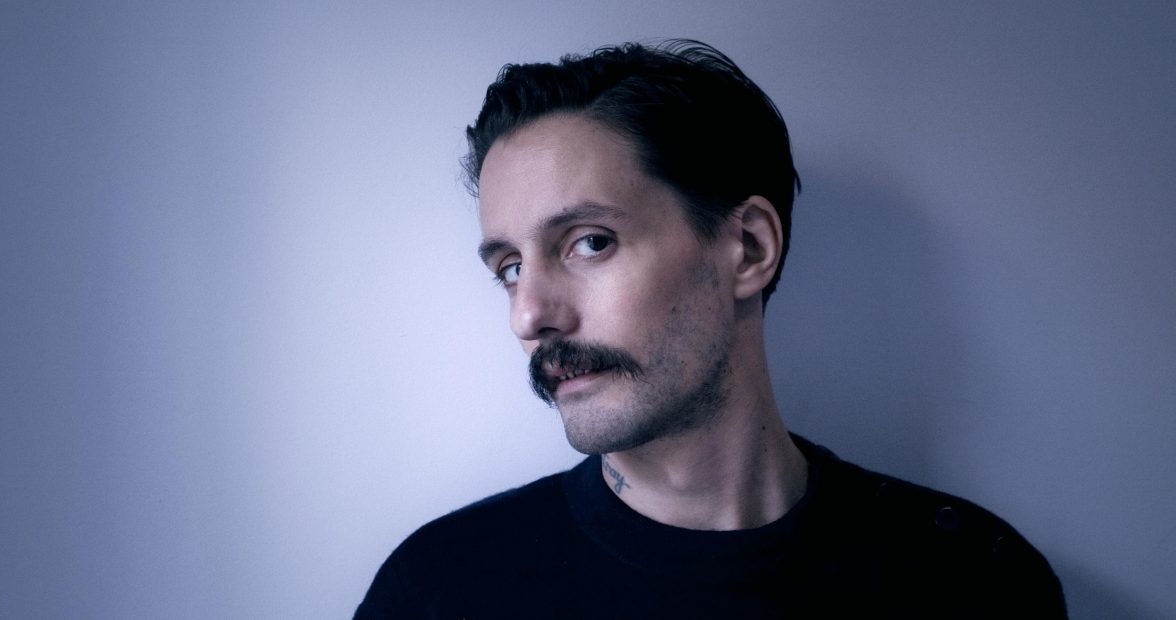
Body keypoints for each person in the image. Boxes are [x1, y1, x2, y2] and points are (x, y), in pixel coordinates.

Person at [355, 39, 1065, 618]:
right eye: (510, 267)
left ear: (748, 249)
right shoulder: (439, 590)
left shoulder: (975, 581)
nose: (529, 315)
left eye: (589, 242)